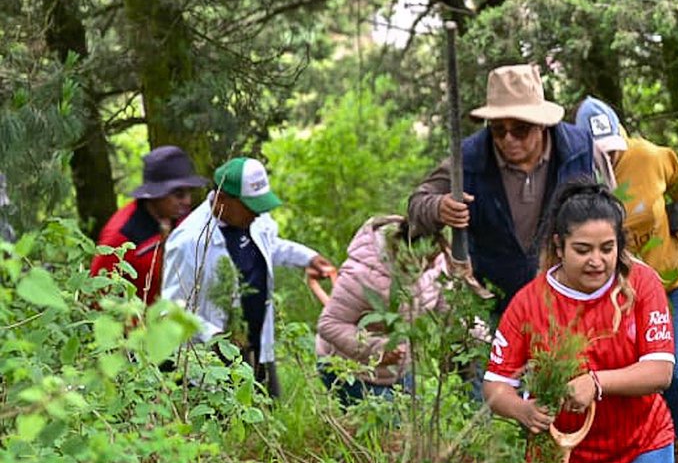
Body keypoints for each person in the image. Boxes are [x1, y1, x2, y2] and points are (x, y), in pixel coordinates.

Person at [482, 181, 676, 463]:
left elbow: (659, 371)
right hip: (565, 458)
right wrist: (522, 411)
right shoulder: (530, 303)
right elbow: (495, 384)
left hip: (639, 441)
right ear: (559, 245)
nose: (597, 261)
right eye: (583, 249)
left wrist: (597, 382)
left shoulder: (641, 284)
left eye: (607, 248)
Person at [574, 96, 678, 463]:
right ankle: (627, 448)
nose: (610, 160)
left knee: (669, 370)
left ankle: (676, 449)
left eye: (615, 150)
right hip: (616, 295)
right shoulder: (578, 176)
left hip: (670, 284)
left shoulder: (651, 156)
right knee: (619, 372)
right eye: (601, 154)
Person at [407, 64, 615, 314]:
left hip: (571, 299)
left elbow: (614, 215)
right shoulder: (468, 159)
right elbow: (417, 204)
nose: (508, 139)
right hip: (493, 304)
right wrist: (439, 208)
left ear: (541, 124)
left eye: (520, 129)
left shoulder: (582, 151)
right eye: (497, 129)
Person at [162, 156, 335, 397]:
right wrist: (216, 336)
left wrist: (306, 257)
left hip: (258, 341)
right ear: (222, 199)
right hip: (213, 355)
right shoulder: (187, 242)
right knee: (226, 421)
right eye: (251, 207)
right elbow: (172, 309)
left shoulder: (255, 218)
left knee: (270, 412)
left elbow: (269, 244)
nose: (257, 214)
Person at [316, 215, 489, 404]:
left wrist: (479, 336)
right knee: (391, 427)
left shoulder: (434, 259)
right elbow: (329, 324)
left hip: (397, 369)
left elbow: (445, 306)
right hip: (350, 371)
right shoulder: (362, 274)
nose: (429, 268)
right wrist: (378, 348)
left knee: (414, 425)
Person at [90, 146, 208, 303]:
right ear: (156, 193)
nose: (187, 201)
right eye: (179, 194)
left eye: (189, 193)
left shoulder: (183, 220)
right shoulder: (121, 235)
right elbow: (97, 297)